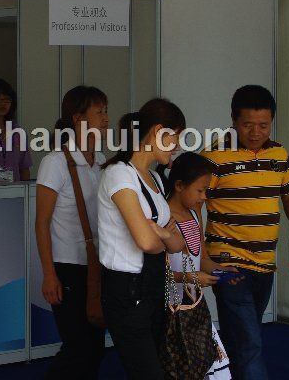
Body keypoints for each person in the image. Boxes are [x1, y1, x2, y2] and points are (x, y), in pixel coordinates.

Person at [201, 85, 289, 380]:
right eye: (248, 125)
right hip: (228, 263)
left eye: (264, 125)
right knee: (249, 342)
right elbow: (192, 203)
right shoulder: (214, 156)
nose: (256, 132)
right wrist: (201, 255)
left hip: (265, 264)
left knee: (242, 337)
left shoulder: (279, 154)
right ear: (234, 120)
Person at [97, 98, 187, 379]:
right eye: (176, 136)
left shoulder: (156, 179)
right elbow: (146, 243)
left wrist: (159, 232)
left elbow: (178, 243)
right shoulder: (119, 174)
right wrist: (161, 236)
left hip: (154, 287)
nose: (178, 145)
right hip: (127, 291)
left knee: (159, 367)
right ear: (159, 131)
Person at [35, 85, 109, 379]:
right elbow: (42, 222)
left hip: (96, 264)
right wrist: (49, 275)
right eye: (99, 112)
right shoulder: (55, 162)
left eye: (105, 111)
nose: (105, 118)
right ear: (78, 118)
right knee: (78, 347)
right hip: (67, 266)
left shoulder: (101, 159)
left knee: (95, 346)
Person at [166, 151, 236, 380]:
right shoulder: (164, 217)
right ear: (179, 185)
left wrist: (220, 270)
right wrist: (193, 278)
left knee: (210, 368)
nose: (204, 197)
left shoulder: (194, 214)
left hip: (195, 307)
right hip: (170, 311)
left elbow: (201, 258)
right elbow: (158, 272)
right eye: (200, 190)